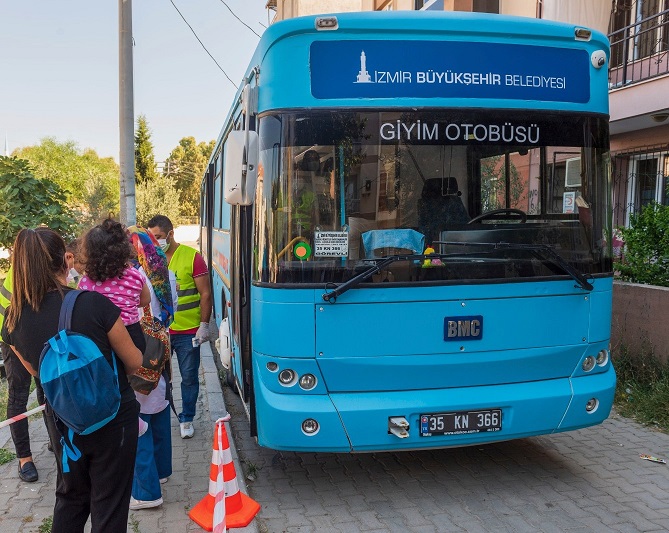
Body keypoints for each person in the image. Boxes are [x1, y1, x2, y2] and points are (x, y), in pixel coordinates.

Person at [1, 227, 143, 533]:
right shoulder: (93, 304)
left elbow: (41, 373)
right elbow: (134, 362)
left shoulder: (12, 322)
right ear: (66, 260)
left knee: (70, 498)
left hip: (65, 424)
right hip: (114, 418)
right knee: (109, 505)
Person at [147, 215, 212, 439]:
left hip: (187, 331)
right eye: (152, 238)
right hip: (160, 331)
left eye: (159, 237)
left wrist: (203, 325)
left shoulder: (192, 257)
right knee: (158, 378)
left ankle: (187, 418)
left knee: (189, 376)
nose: (156, 242)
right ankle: (162, 415)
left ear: (171, 234)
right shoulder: (149, 260)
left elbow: (205, 293)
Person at [127, 226, 176, 510]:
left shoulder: (131, 278)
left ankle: (147, 493)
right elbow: (172, 313)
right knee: (158, 411)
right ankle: (163, 472)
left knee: (139, 421)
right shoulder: (163, 274)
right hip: (160, 353)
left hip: (138, 353)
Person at [0, 265, 49, 482]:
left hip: (35, 329)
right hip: (11, 334)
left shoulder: (43, 262)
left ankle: (55, 440)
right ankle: (24, 458)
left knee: (45, 388)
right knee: (19, 394)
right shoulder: (24, 267)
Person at [78, 219, 151, 352]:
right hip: (133, 335)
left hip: (100, 338)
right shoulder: (134, 275)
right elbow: (146, 300)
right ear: (123, 249)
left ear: (89, 253)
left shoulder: (85, 282)